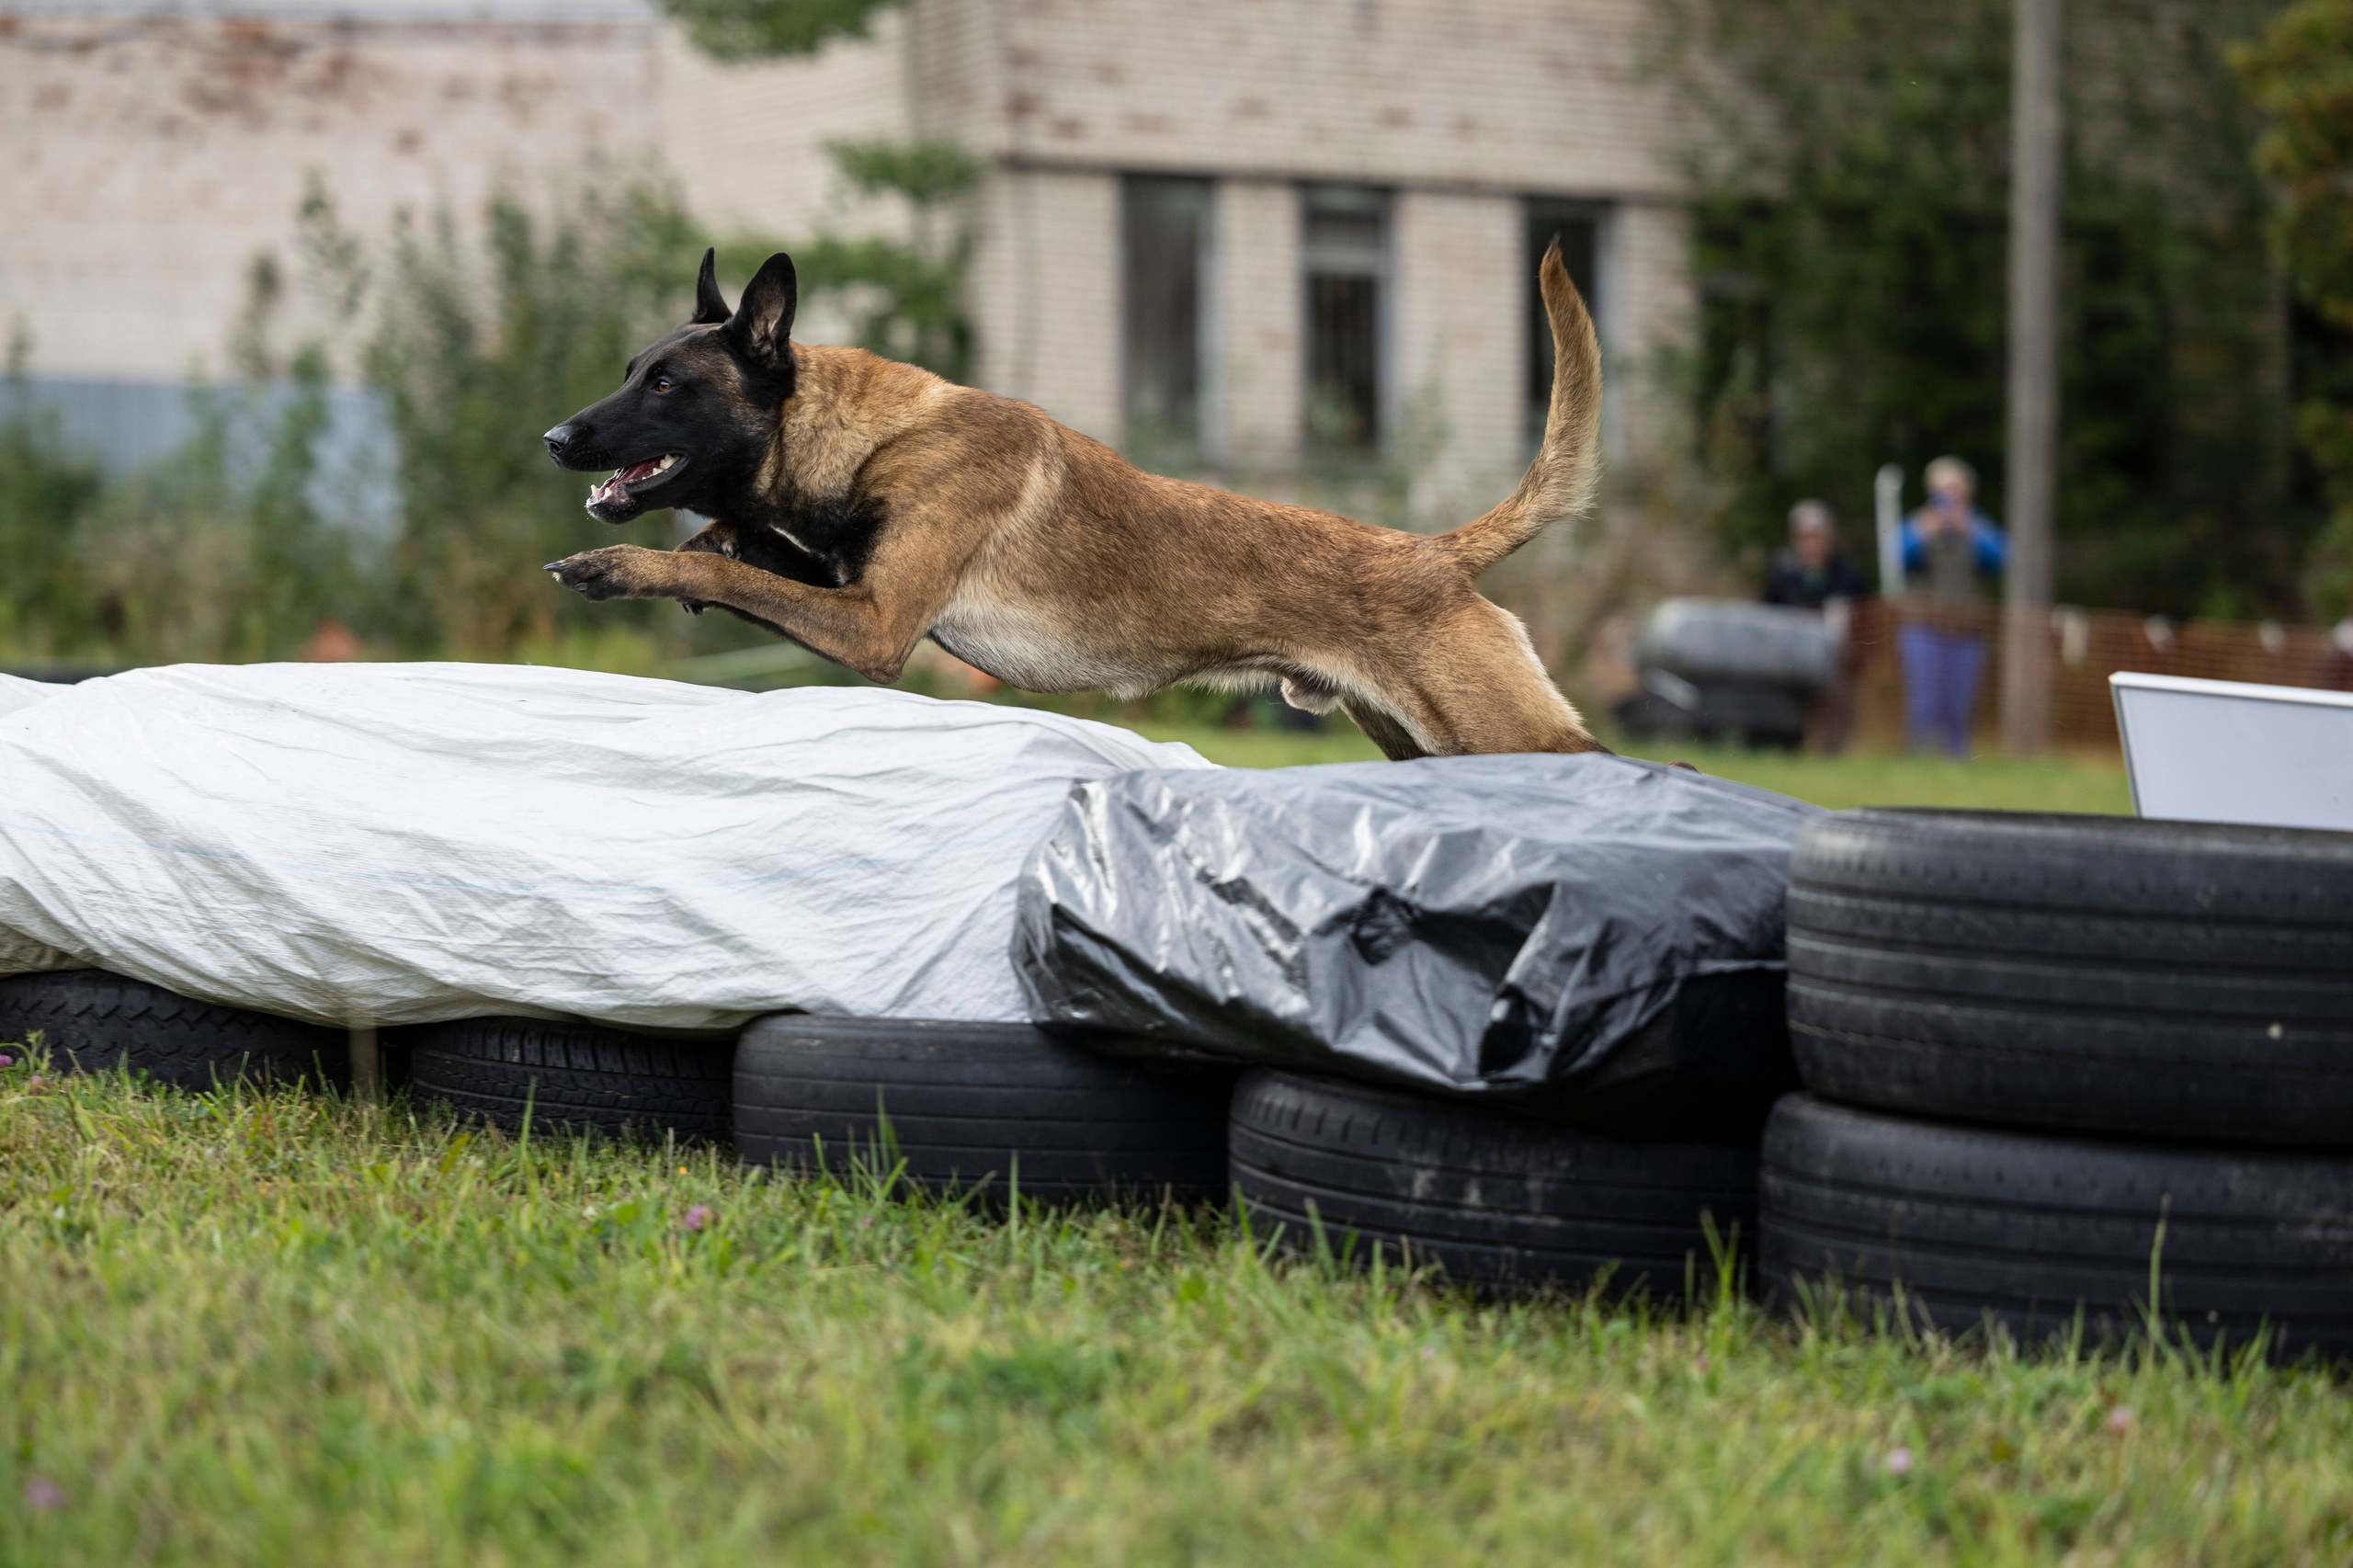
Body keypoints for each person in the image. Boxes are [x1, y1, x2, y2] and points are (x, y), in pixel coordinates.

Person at [1896, 455, 2006, 756]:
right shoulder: (1918, 525)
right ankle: (1919, 759)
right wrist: (1925, 531)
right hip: (1923, 627)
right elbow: (1897, 556)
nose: (1947, 498)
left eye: (1953, 490)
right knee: (1924, 700)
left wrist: (1968, 528)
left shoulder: (1978, 528)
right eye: (1940, 491)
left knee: (1959, 702)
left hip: (1966, 631)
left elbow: (2002, 558)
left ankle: (1956, 760)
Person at [1763, 499, 1869, 753]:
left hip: (1833, 657)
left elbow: (1863, 617)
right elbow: (1766, 611)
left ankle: (1833, 751)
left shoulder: (1847, 574)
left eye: (1817, 537)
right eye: (1805, 537)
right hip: (1789, 655)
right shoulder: (1781, 570)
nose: (1812, 544)